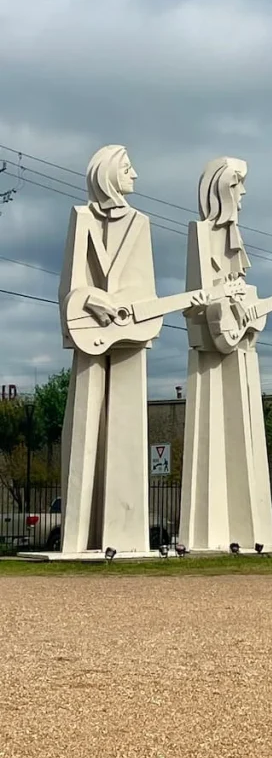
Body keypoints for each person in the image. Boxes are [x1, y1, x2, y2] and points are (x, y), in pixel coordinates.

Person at [179, 157, 272, 551]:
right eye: (238, 184)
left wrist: (266, 307)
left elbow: (241, 299)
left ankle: (253, 536)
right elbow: (200, 301)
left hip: (242, 353)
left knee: (245, 437)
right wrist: (229, 312)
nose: (244, 192)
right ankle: (208, 535)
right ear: (221, 189)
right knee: (212, 438)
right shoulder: (201, 234)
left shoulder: (237, 239)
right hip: (212, 356)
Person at [58, 145, 157, 553]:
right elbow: (69, 280)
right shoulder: (81, 218)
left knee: (129, 424)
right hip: (90, 329)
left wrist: (139, 319)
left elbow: (146, 289)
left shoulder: (141, 223)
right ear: (109, 174)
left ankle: (126, 537)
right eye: (128, 168)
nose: (135, 175)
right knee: (82, 424)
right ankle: (75, 539)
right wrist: (88, 298)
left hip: (129, 334)